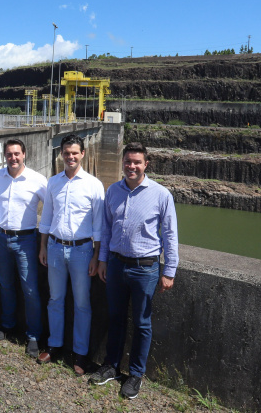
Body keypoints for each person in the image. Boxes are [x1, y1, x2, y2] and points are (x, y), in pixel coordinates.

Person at [89, 142, 179, 400]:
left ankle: (136, 374)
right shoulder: (113, 191)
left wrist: (169, 270)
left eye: (137, 162)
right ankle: (112, 366)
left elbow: (170, 234)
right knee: (115, 318)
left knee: (142, 323)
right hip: (116, 264)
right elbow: (107, 229)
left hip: (145, 268)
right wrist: (103, 260)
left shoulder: (161, 194)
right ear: (123, 162)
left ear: (145, 164)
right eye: (128, 161)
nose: (132, 166)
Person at [37, 134, 103, 376]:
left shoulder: (93, 185)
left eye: (75, 152)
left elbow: (99, 225)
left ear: (82, 154)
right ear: (61, 154)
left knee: (82, 303)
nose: (70, 156)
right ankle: (54, 345)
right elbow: (46, 217)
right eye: (66, 153)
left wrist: (97, 256)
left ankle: (80, 353)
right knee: (55, 299)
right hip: (55, 247)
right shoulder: (53, 182)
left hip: (82, 250)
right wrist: (43, 246)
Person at [0, 138, 47, 358]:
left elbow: (51, 208)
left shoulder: (37, 180)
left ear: (24, 155)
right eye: (9, 154)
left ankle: (33, 335)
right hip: (1, 237)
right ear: (4, 156)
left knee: (30, 289)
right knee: (5, 284)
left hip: (27, 240)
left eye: (17, 154)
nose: (13, 158)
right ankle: (7, 324)